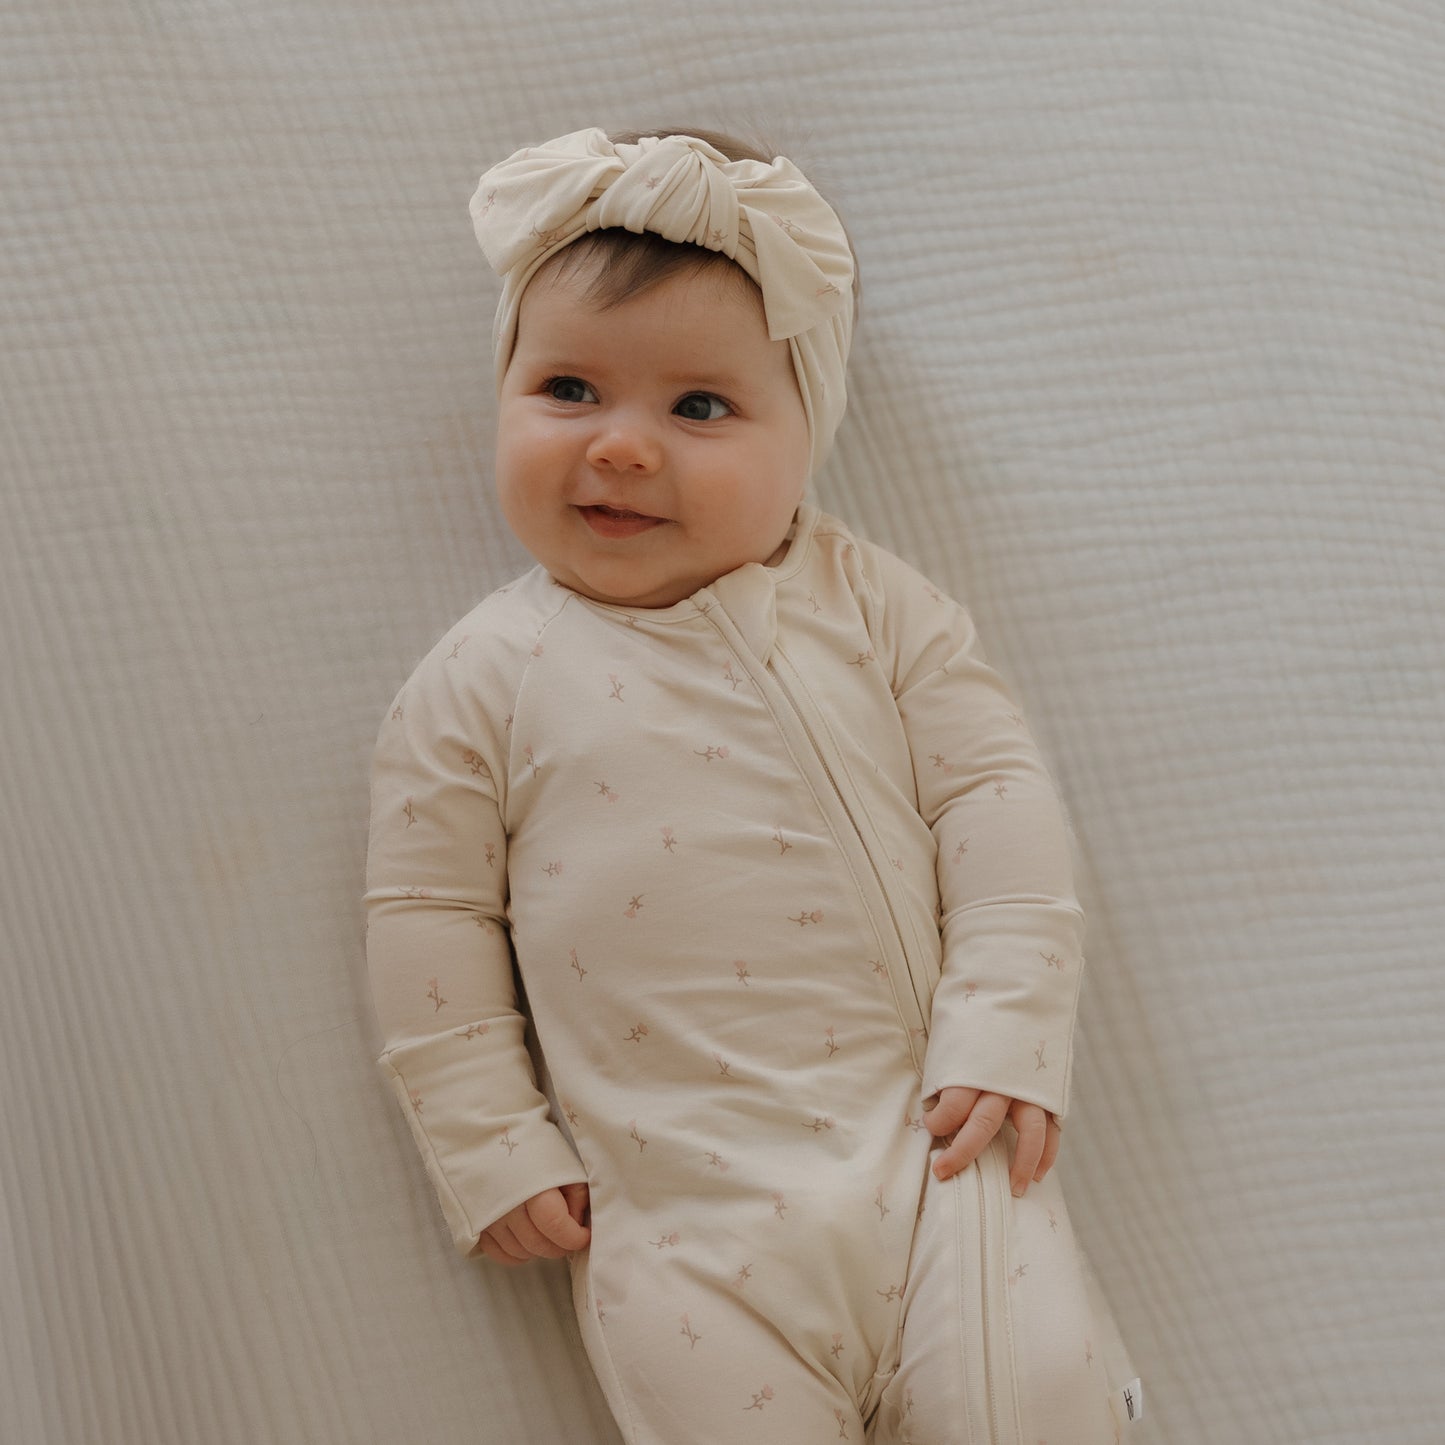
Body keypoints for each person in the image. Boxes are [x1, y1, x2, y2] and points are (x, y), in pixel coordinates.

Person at [364, 125, 1142, 1444]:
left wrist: (1010, 1020)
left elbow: (993, 797)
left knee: (1042, 1402)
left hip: (937, 1150)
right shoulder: (480, 677)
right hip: (680, 1217)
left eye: (699, 406)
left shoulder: (871, 607)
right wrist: (489, 1138)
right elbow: (424, 916)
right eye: (565, 389)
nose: (619, 447)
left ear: (806, 435)